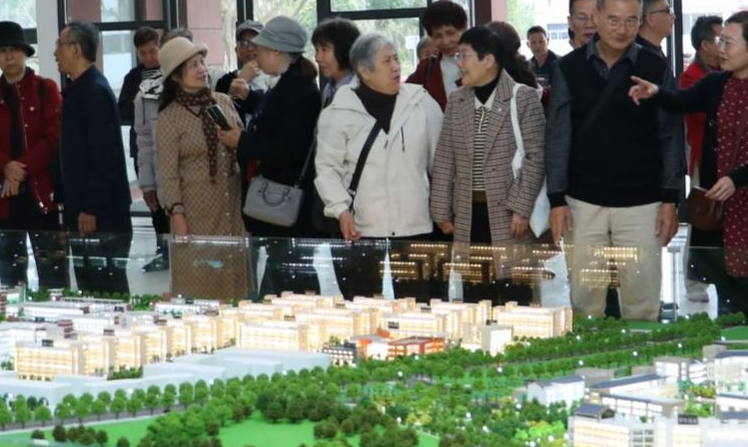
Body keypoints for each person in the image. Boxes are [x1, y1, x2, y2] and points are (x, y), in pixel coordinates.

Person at [629, 11, 748, 322]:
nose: (721, 49)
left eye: (729, 43)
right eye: (721, 41)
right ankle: (732, 340)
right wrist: (656, 92)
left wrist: (737, 179)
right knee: (724, 281)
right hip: (717, 205)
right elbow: (681, 100)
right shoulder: (716, 83)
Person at [545, 0, 683, 321]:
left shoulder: (654, 66)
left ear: (640, 21)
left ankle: (643, 356)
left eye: (631, 21)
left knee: (643, 301)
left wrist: (671, 199)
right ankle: (591, 354)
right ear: (597, 16)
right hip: (582, 202)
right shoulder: (569, 68)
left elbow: (670, 135)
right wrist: (557, 199)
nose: (622, 29)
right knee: (585, 301)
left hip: (643, 203)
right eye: (613, 20)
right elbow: (558, 135)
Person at [315, 32, 444, 299]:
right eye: (387, 61)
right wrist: (341, 210)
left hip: (414, 226)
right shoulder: (338, 112)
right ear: (364, 70)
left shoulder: (421, 103)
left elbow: (442, 163)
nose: (396, 66)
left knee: (418, 306)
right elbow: (327, 169)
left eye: (396, 58)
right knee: (363, 305)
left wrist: (442, 209)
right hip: (360, 227)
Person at [430, 26, 548, 306]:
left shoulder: (522, 97)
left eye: (465, 56)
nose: (459, 63)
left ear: (489, 60)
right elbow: (445, 157)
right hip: (467, 213)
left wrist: (521, 208)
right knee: (475, 295)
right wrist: (440, 209)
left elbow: (536, 157)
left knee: (515, 293)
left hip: (510, 214)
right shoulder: (457, 100)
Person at [221, 16, 323, 295]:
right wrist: (249, 99)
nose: (255, 53)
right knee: (281, 271)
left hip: (288, 200)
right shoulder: (284, 84)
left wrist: (242, 141)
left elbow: (289, 148)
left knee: (290, 274)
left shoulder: (300, 91)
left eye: (261, 48)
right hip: (276, 198)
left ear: (277, 52)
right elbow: (275, 118)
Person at [153, 36, 249, 301]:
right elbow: (168, 173)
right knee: (199, 282)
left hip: (230, 208)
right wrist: (177, 215)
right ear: (176, 76)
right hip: (195, 214)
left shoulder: (222, 102)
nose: (202, 70)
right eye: (193, 65)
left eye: (202, 62)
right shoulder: (169, 116)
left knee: (234, 285)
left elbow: (243, 146)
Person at [0, 21, 64, 291]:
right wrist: (6, 166)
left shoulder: (45, 88)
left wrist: (19, 169)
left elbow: (54, 138)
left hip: (41, 193)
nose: (9, 57)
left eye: (14, 50)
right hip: (4, 196)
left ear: (25, 52)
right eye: (2, 51)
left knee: (52, 271)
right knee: (10, 273)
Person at [55, 21, 134, 293]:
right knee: (89, 291)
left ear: (76, 49)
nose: (55, 52)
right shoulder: (79, 90)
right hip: (84, 212)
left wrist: (90, 206)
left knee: (107, 292)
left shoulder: (94, 91)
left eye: (60, 44)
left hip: (101, 215)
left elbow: (105, 155)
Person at [121, 27, 170, 273]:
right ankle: (163, 251)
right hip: (143, 146)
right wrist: (141, 106)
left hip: (169, 145)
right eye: (143, 53)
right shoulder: (133, 78)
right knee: (153, 201)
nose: (149, 57)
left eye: (153, 51)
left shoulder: (171, 73)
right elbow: (122, 111)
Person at [679, 14, 724, 178]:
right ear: (705, 45)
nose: (726, 45)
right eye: (721, 40)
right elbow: (706, 116)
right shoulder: (690, 77)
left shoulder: (729, 70)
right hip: (705, 157)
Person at [409, 0, 469, 107]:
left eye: (450, 33)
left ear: (464, 28)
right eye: (438, 36)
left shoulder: (483, 62)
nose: (445, 41)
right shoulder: (426, 70)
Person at [215, 19, 268, 121]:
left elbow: (274, 111)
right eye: (243, 43)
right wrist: (242, 78)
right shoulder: (225, 82)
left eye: (255, 42)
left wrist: (247, 93)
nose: (249, 48)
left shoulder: (277, 77)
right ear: (237, 50)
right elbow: (220, 115)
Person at [312, 18, 361, 108]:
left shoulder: (361, 92)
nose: (317, 58)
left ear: (345, 50)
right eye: (317, 50)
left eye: (324, 50)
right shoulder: (329, 89)